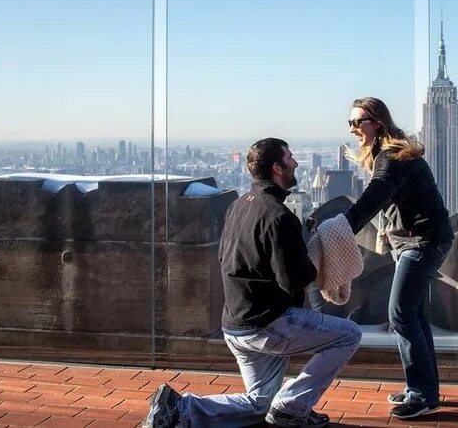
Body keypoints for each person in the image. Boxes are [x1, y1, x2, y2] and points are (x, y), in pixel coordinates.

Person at [143, 138, 362, 428]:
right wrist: (308, 244)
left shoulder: (236, 206)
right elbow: (293, 281)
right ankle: (292, 406)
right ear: (276, 168)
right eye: (290, 158)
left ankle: (179, 409)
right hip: (267, 325)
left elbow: (226, 257)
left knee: (260, 404)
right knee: (349, 335)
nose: (295, 163)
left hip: (234, 325)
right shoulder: (279, 216)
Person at [342, 97, 453, 420]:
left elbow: (373, 198)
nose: (353, 128)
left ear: (377, 122)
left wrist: (339, 228)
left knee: (401, 313)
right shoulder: (387, 153)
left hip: (422, 241)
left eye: (358, 122)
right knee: (413, 314)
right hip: (419, 240)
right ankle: (425, 390)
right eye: (350, 123)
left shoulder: (391, 158)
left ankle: (420, 394)